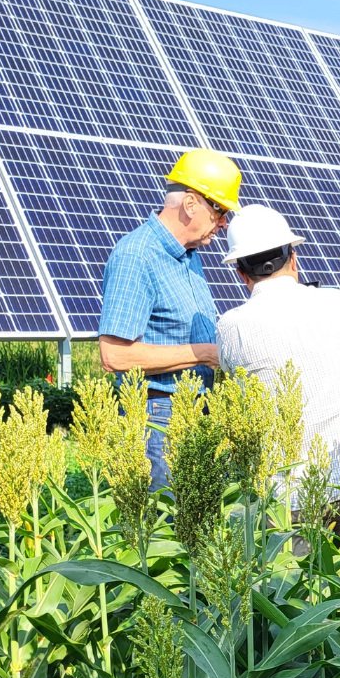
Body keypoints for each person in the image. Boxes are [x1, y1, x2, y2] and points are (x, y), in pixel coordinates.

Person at [213, 204, 340, 546]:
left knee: (296, 592)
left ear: (241, 274)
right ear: (294, 257)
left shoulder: (231, 326)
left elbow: (237, 393)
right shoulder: (338, 303)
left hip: (284, 498)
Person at [98, 149, 242, 491]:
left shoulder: (189, 257)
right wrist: (203, 353)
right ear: (191, 205)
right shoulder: (137, 255)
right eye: (220, 211)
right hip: (158, 418)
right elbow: (114, 356)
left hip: (196, 411)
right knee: (166, 532)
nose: (224, 224)